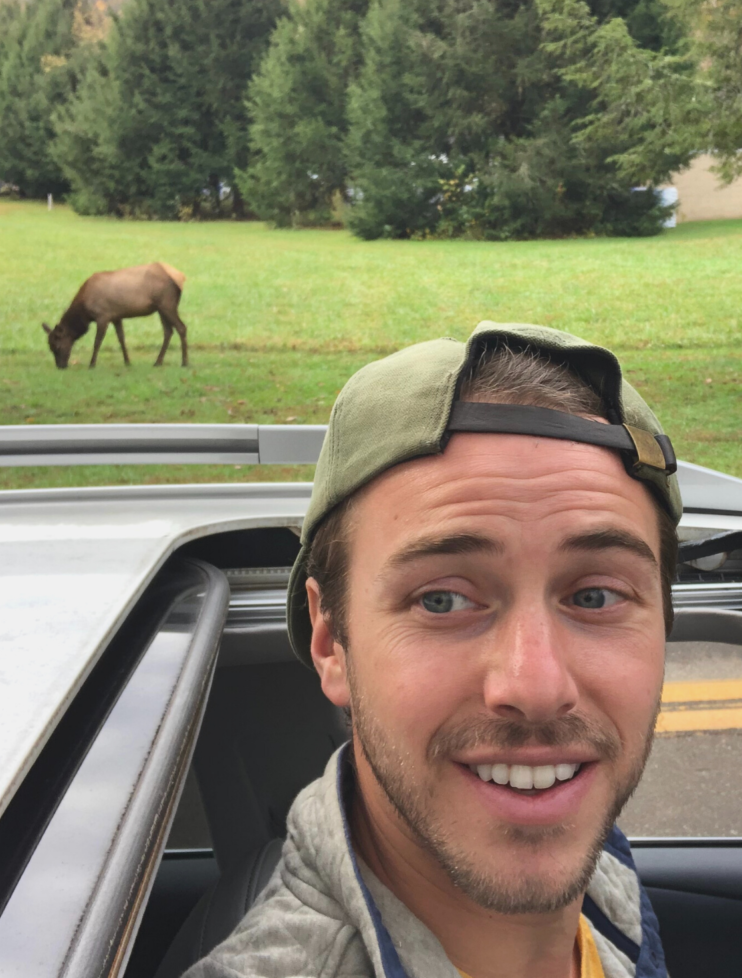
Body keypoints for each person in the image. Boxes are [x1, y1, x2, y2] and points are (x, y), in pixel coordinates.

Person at [186, 322, 681, 978]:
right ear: (331, 641)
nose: (535, 685)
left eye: (595, 597)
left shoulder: (600, 877)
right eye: (442, 601)